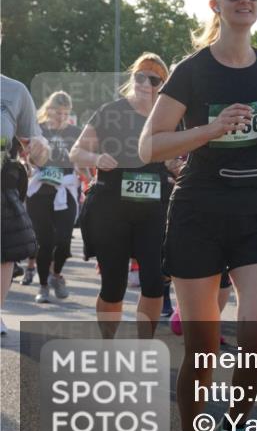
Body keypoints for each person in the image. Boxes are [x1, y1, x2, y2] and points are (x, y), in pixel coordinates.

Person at [139, 0, 257, 431]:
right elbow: (150, 145)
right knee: (202, 348)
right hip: (199, 213)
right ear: (215, 4)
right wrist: (208, 129)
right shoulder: (192, 71)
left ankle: (235, 429)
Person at [71, 53, 173, 339]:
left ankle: (145, 345)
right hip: (111, 209)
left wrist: (176, 166)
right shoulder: (111, 111)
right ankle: (107, 343)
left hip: (153, 211)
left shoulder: (169, 117)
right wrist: (96, 157)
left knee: (154, 282)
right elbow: (76, 152)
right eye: (139, 76)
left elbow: (180, 154)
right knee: (113, 286)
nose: (145, 84)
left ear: (163, 85)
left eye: (153, 80)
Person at [1, 74, 49, 335]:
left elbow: (38, 151)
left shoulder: (14, 91)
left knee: (4, 254)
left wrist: (40, 148)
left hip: (2, 186)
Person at [26, 91, 81, 303]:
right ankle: (43, 286)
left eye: (66, 113)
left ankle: (56, 275)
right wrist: (34, 155)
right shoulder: (38, 130)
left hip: (65, 190)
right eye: (58, 112)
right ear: (49, 110)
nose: (62, 117)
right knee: (45, 242)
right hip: (41, 191)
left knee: (64, 239)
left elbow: (84, 155)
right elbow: (29, 158)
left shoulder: (75, 132)